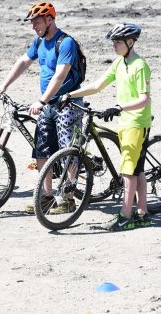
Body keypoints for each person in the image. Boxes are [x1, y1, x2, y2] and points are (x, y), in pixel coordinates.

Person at [0, 1, 85, 214]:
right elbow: (23, 62)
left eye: (37, 22)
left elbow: (60, 75)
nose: (34, 26)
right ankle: (46, 197)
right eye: (32, 23)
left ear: (50, 20)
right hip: (47, 104)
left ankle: (68, 198)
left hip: (67, 103)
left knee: (66, 151)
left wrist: (42, 100)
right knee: (41, 150)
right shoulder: (39, 41)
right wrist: (4, 84)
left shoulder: (66, 43)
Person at [60, 23, 152, 231]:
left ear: (130, 42)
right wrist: (69, 94)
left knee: (128, 172)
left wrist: (119, 107)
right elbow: (98, 85)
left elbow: (144, 99)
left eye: (117, 42)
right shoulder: (120, 63)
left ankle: (125, 216)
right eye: (113, 42)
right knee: (137, 170)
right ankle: (143, 214)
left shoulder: (140, 66)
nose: (114, 46)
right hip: (126, 121)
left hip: (136, 122)